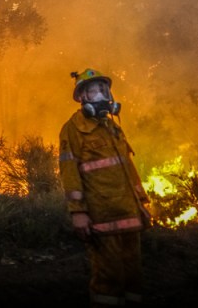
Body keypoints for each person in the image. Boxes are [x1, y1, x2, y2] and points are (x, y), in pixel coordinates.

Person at [58, 68, 152, 306]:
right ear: (82, 97)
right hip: (102, 216)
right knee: (109, 280)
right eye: (93, 90)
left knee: (134, 277)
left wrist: (141, 203)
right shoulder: (73, 129)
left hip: (129, 214)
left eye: (103, 89)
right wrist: (78, 212)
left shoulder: (113, 127)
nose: (100, 94)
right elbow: (70, 172)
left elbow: (127, 169)